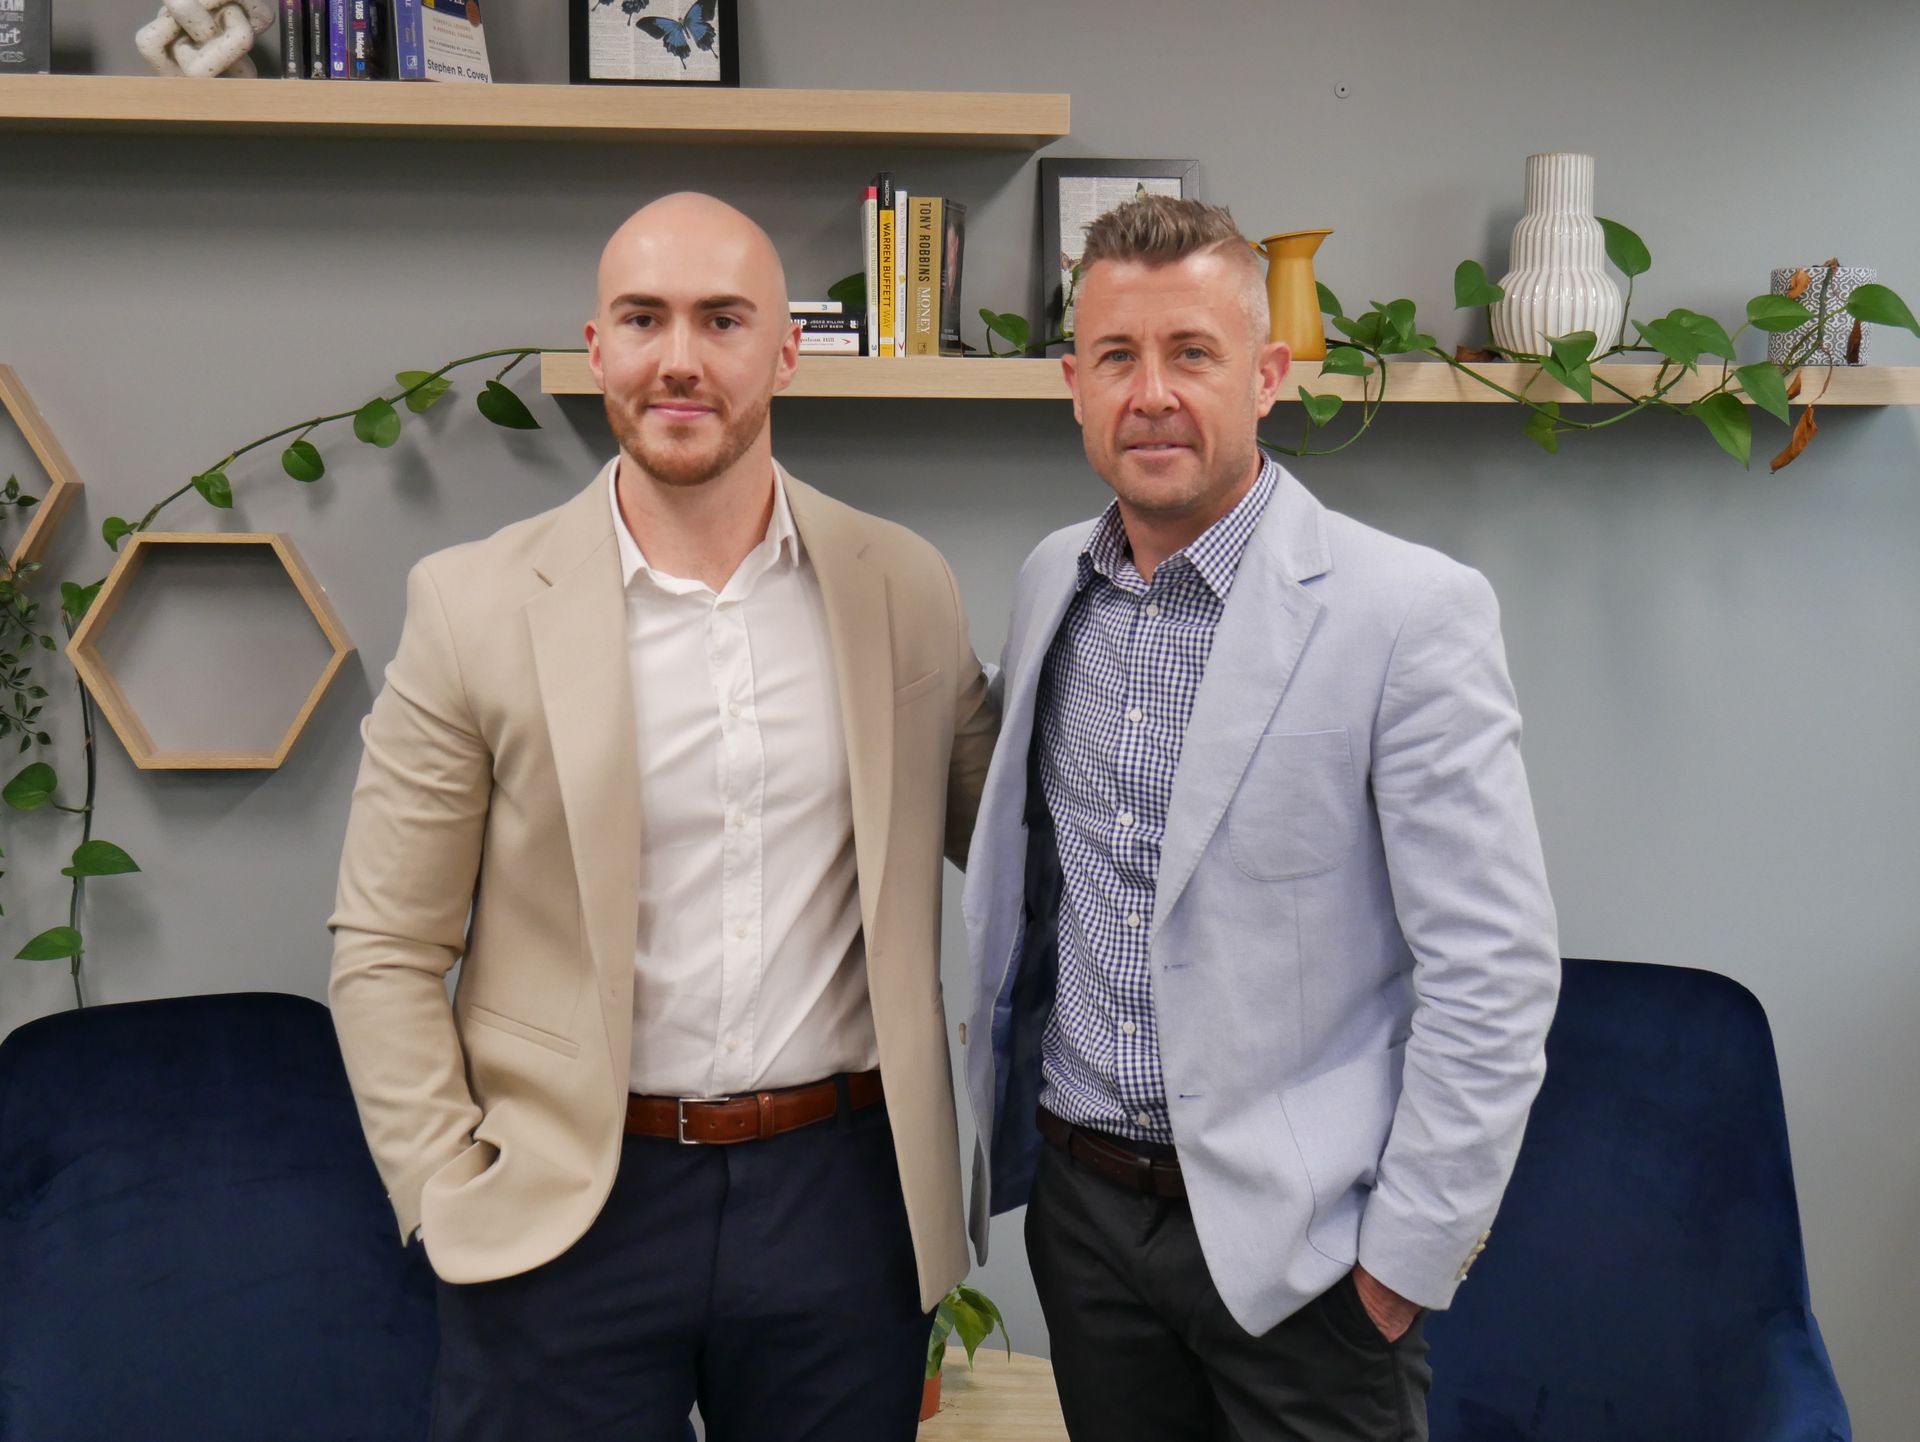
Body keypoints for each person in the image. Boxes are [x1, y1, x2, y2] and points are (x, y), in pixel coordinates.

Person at [329, 191, 998, 1442]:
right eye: (644, 318)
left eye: (721, 319)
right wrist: (442, 1187)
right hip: (565, 1201)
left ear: (784, 352)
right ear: (599, 347)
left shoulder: (903, 585)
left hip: (840, 1201)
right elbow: (384, 944)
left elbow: (1016, 845)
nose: (679, 357)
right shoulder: (474, 603)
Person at [961, 193, 1559, 1441]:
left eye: (1193, 352)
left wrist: (1400, 1263)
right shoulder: (1045, 582)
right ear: (1074, 384)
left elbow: (1493, 970)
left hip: (1307, 1255)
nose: (1153, 392)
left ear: (1270, 374)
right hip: (1086, 1219)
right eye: (1118, 357)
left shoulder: (1408, 612)